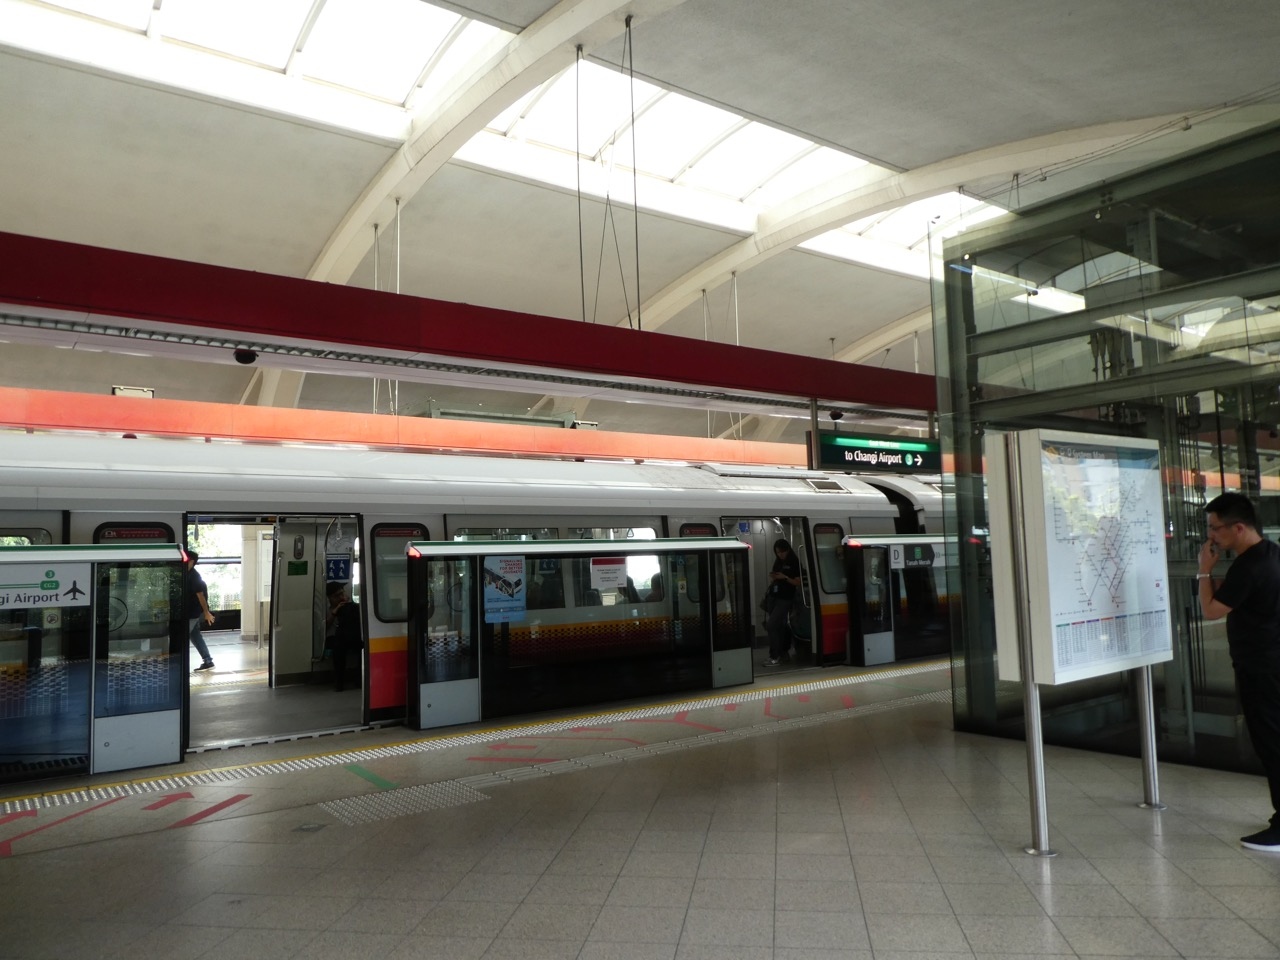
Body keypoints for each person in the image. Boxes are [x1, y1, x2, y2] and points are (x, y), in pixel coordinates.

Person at [1199, 492, 1280, 852]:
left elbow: (1211, 610)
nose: (1211, 536)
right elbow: (1235, 598)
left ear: (1239, 528)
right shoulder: (1271, 553)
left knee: (1271, 743)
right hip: (1272, 661)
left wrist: (1204, 569)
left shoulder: (1249, 566)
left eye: (1215, 528)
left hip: (1261, 668)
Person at [761, 538, 802, 667]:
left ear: (787, 550)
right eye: (778, 552)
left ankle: (775, 656)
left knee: (771, 625)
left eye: (782, 552)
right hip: (774, 596)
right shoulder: (778, 561)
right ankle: (783, 653)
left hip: (785, 598)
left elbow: (797, 582)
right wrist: (774, 577)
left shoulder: (794, 562)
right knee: (780, 626)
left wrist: (784, 577)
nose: (780, 554)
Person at [326, 581, 361, 692]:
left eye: (342, 593)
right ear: (329, 598)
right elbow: (324, 627)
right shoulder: (326, 609)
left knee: (363, 646)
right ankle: (339, 681)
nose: (341, 597)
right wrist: (335, 612)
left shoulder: (350, 607)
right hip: (333, 638)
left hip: (350, 635)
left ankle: (359, 678)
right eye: (337, 596)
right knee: (338, 648)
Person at [185, 550, 215, 671]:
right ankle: (208, 660)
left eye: (186, 559)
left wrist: (206, 613)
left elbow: (201, 596)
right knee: (195, 636)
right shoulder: (186, 573)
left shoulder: (194, 576)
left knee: (182, 636)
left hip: (192, 613)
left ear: (191, 561)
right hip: (190, 612)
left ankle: (178, 662)